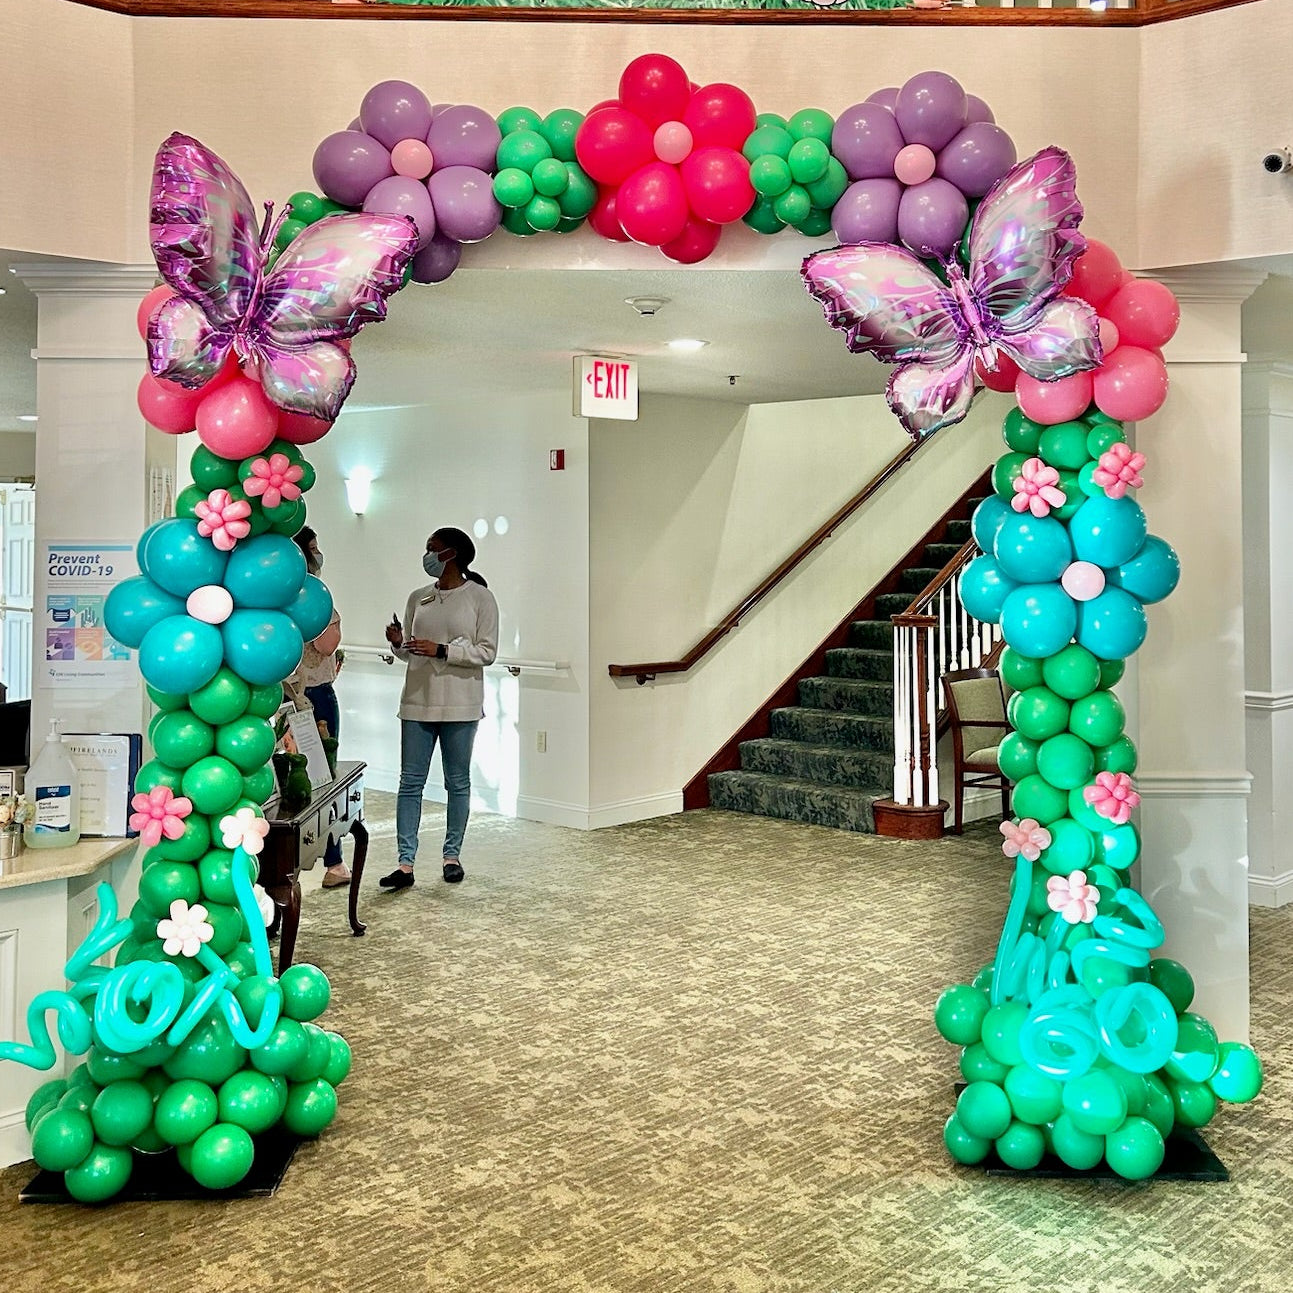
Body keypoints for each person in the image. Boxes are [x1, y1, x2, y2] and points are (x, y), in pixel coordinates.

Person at [380, 526, 498, 891]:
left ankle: (452, 856)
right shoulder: (419, 597)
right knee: (410, 782)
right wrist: (400, 644)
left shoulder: (480, 598)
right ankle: (404, 863)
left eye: (433, 548)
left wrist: (444, 650)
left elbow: (487, 652)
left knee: (457, 782)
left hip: (461, 704)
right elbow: (411, 652)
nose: (427, 555)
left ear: (452, 554)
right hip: (417, 700)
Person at [290, 526, 350, 889]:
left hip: (289, 694)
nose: (318, 555)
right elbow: (327, 644)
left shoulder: (277, 596)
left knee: (300, 778)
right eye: (313, 549)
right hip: (314, 696)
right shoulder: (310, 596)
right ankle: (334, 861)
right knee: (322, 776)